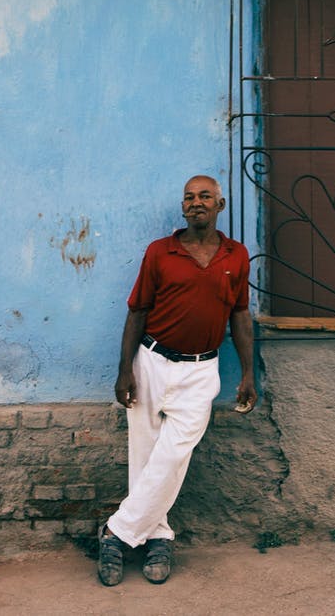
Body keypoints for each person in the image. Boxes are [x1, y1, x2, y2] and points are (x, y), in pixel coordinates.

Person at [97, 175, 257, 586]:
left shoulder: (236, 256)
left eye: (205, 196)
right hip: (151, 362)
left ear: (220, 205)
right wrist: (124, 369)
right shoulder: (160, 252)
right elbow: (137, 311)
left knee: (173, 454)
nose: (196, 202)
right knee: (146, 456)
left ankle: (115, 533)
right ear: (182, 207)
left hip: (202, 369)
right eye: (189, 197)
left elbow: (240, 315)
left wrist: (248, 372)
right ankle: (159, 540)